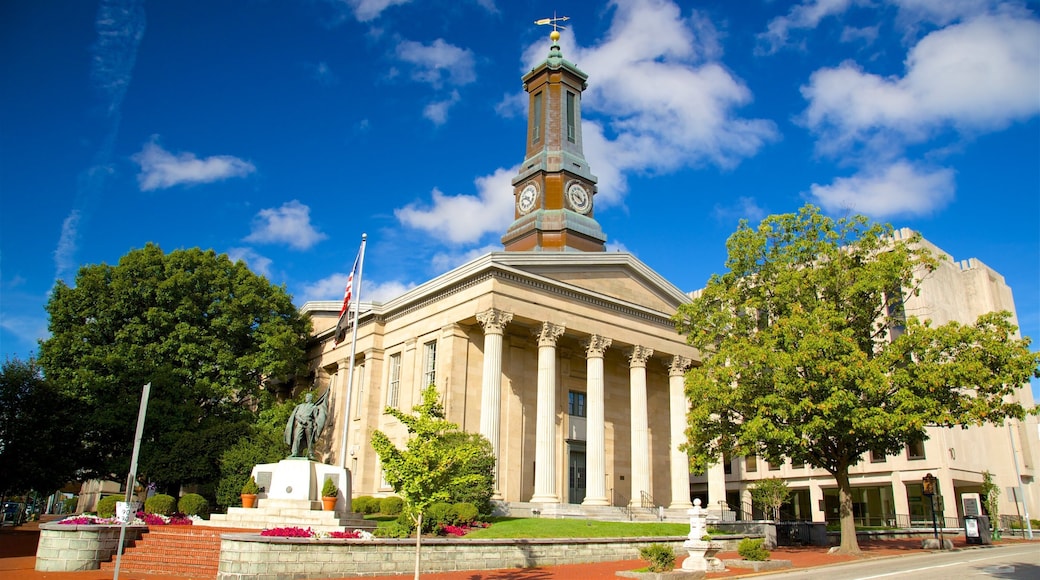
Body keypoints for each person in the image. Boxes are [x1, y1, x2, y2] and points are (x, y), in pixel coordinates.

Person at [284, 389, 328, 458]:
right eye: (306, 397)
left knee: (309, 440)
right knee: (297, 437)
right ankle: (295, 452)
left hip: (309, 424)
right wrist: (301, 420)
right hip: (300, 423)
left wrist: (315, 425)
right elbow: (297, 415)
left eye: (308, 397)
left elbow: (315, 417)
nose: (306, 398)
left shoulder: (314, 407)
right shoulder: (300, 406)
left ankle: (311, 454)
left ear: (310, 398)